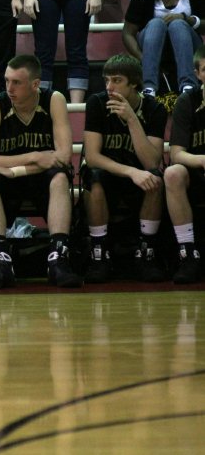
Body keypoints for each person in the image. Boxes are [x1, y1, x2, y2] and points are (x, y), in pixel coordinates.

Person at [0, 54, 81, 289]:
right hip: (10, 179)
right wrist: (35, 157)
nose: (9, 88)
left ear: (35, 84)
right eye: (6, 81)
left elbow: (63, 157)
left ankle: (58, 258)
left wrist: (15, 170)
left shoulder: (54, 100)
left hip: (36, 177)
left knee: (60, 177)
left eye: (17, 82)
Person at [81, 54, 168, 283]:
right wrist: (131, 171)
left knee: (155, 178)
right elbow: (92, 158)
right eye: (106, 80)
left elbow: (151, 162)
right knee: (94, 177)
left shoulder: (155, 109)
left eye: (117, 80)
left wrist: (132, 119)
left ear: (134, 83)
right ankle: (99, 253)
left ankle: (146, 252)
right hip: (111, 173)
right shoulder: (97, 103)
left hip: (141, 177)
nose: (109, 87)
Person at [122, 0, 205, 95]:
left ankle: (188, 86)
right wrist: (144, 59)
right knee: (155, 24)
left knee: (178, 25)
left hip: (187, 47)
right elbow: (127, 33)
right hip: (153, 47)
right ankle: (149, 87)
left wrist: (188, 20)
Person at [164, 48, 205, 284]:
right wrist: (202, 160)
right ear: (197, 74)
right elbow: (177, 153)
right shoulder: (187, 102)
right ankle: (188, 253)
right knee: (172, 173)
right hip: (196, 172)